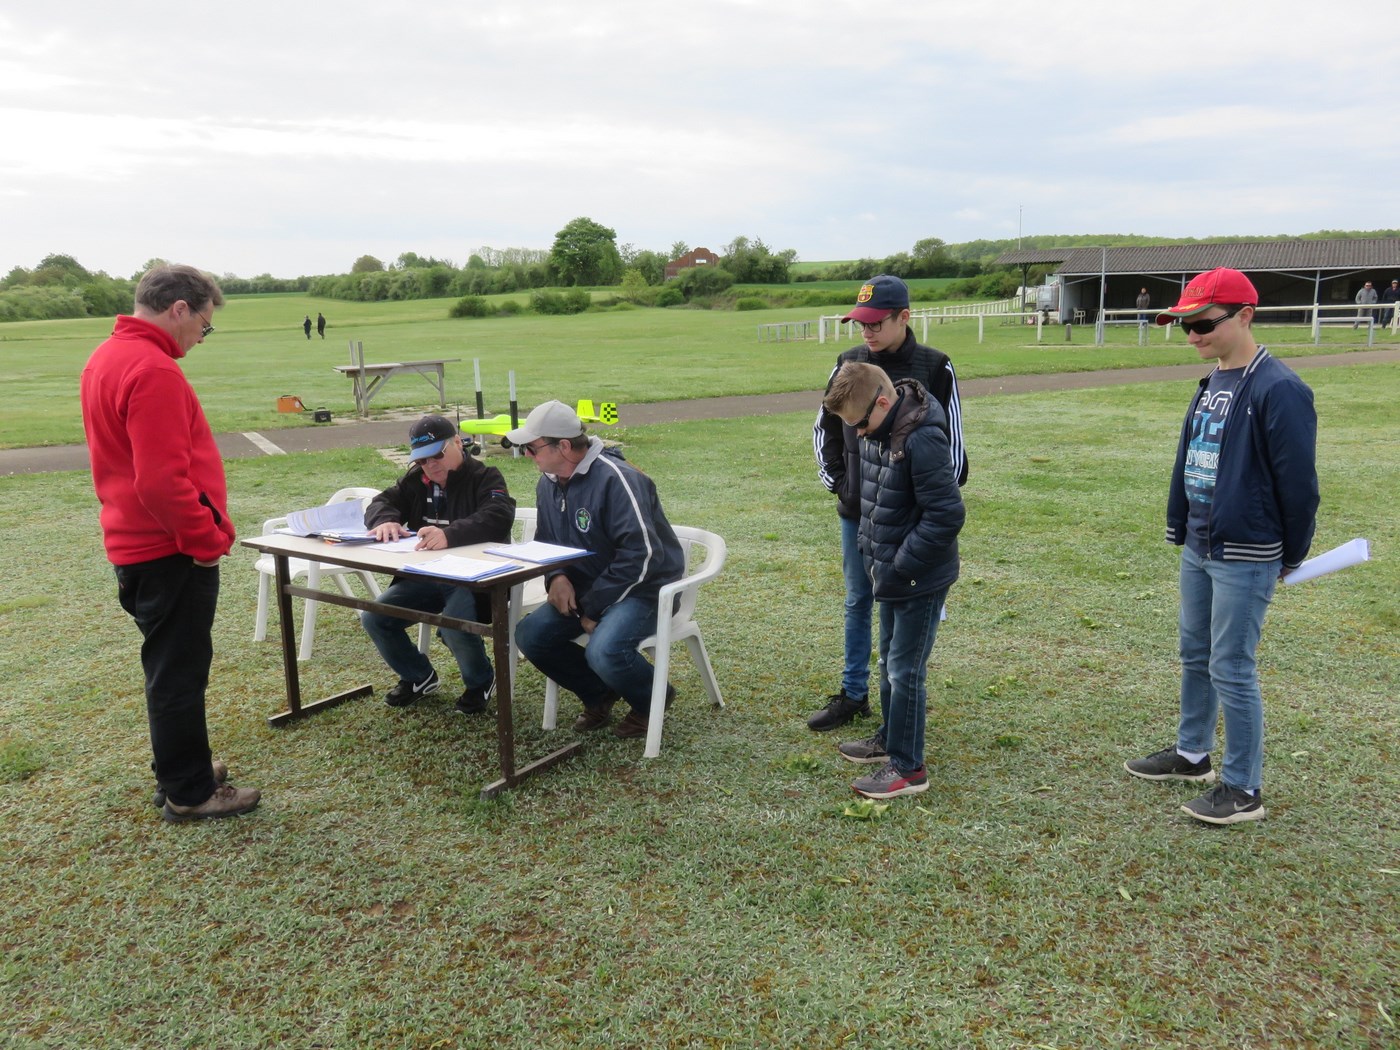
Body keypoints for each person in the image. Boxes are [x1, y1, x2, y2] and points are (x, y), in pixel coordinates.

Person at [1126, 268, 1318, 825]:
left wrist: (1291, 554)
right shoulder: (1212, 383)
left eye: (1204, 323)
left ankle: (1243, 788)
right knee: (1194, 654)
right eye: (1184, 325)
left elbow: (1299, 485)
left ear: (1245, 315)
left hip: (1247, 550)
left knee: (1231, 666)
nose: (1193, 335)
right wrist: (1182, 524)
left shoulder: (1279, 388)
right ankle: (1192, 755)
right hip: (1202, 544)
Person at [79, 263, 261, 822]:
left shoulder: (106, 356)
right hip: (168, 550)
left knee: (169, 667)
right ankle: (188, 791)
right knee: (178, 672)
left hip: (137, 546)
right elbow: (159, 480)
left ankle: (183, 769)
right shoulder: (152, 369)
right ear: (179, 308)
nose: (200, 338)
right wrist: (204, 540)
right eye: (204, 325)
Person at [810, 275, 968, 732]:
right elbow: (825, 429)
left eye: (877, 322)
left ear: (904, 317)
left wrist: (920, 509)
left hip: (908, 519)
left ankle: (899, 706)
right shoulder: (848, 362)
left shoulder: (935, 365)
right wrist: (843, 487)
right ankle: (853, 693)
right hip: (858, 513)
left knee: (905, 607)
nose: (867, 332)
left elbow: (952, 445)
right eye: (860, 322)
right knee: (859, 599)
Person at [822, 363, 964, 799]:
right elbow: (876, 501)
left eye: (861, 423)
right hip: (889, 573)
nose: (859, 434)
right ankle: (890, 738)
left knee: (905, 670)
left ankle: (909, 767)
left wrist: (901, 564)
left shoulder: (921, 438)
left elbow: (947, 515)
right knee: (888, 664)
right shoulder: (879, 431)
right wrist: (875, 558)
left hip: (918, 578)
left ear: (883, 402)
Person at [506, 401, 685, 740]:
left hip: (644, 590)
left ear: (563, 446)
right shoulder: (548, 482)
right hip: (586, 590)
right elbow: (547, 544)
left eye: (532, 447)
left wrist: (592, 608)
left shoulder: (618, 478)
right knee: (530, 636)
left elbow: (641, 554)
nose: (527, 454)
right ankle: (599, 692)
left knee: (603, 649)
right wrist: (556, 577)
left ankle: (652, 699)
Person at [361, 415, 515, 713]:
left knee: (455, 625)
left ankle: (479, 682)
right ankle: (418, 677)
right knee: (375, 617)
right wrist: (385, 520)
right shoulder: (415, 481)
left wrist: (449, 535)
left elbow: (498, 515)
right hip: (425, 576)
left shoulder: (487, 477)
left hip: (474, 579)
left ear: (458, 443)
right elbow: (381, 502)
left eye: (437, 455)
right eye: (421, 460)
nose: (430, 465)